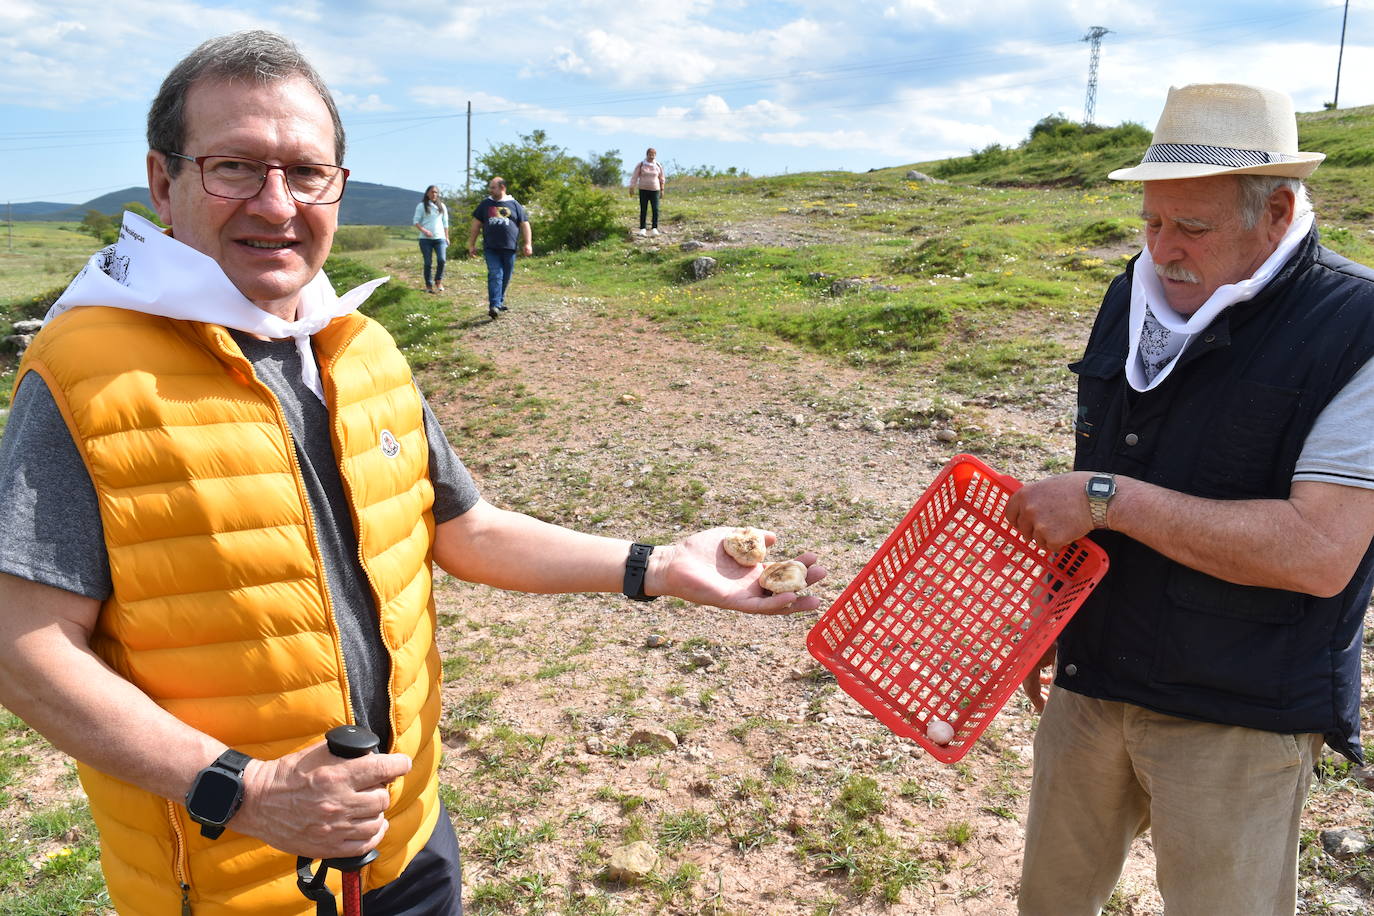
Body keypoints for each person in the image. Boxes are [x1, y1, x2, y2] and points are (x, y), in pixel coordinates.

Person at [0, 31, 827, 916]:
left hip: (406, 841)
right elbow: (24, 648)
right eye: (233, 167)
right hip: (232, 880)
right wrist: (248, 790)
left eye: (307, 172)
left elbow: (464, 528)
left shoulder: (357, 345)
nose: (277, 203)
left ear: (340, 189)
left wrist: (657, 565)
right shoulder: (86, 374)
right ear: (164, 183)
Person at [1005, 83, 1374, 916]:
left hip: (1237, 714)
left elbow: (1319, 553)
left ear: (1276, 212)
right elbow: (1097, 466)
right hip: (1094, 683)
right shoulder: (1131, 294)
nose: (1163, 249)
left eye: (1193, 228)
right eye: (1151, 222)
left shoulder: (1359, 327)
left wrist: (1108, 499)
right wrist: (1047, 615)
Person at [466, 176, 531, 319]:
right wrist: (471, 244)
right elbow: (476, 225)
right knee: (496, 274)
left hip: (509, 248)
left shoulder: (514, 204)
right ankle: (494, 305)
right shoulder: (485, 204)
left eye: (493, 187)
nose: (490, 190)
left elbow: (525, 224)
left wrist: (527, 243)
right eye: (490, 187)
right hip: (491, 247)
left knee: (506, 275)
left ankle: (499, 301)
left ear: (502, 188)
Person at [413, 185, 449, 293]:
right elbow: (416, 222)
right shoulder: (421, 206)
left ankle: (438, 280)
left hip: (440, 238)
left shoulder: (442, 206)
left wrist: (447, 237)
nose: (434, 194)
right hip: (425, 239)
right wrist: (425, 231)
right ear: (427, 193)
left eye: (436, 192)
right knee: (428, 262)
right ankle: (429, 285)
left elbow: (445, 223)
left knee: (442, 259)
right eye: (432, 192)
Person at [628, 147, 666, 237]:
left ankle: (654, 228)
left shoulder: (658, 165)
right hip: (643, 190)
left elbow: (662, 178)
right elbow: (634, 176)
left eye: (653, 154)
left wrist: (662, 189)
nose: (652, 156)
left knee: (655, 209)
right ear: (647, 154)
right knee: (643, 209)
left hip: (655, 190)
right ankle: (642, 228)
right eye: (650, 154)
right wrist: (632, 187)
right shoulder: (641, 165)